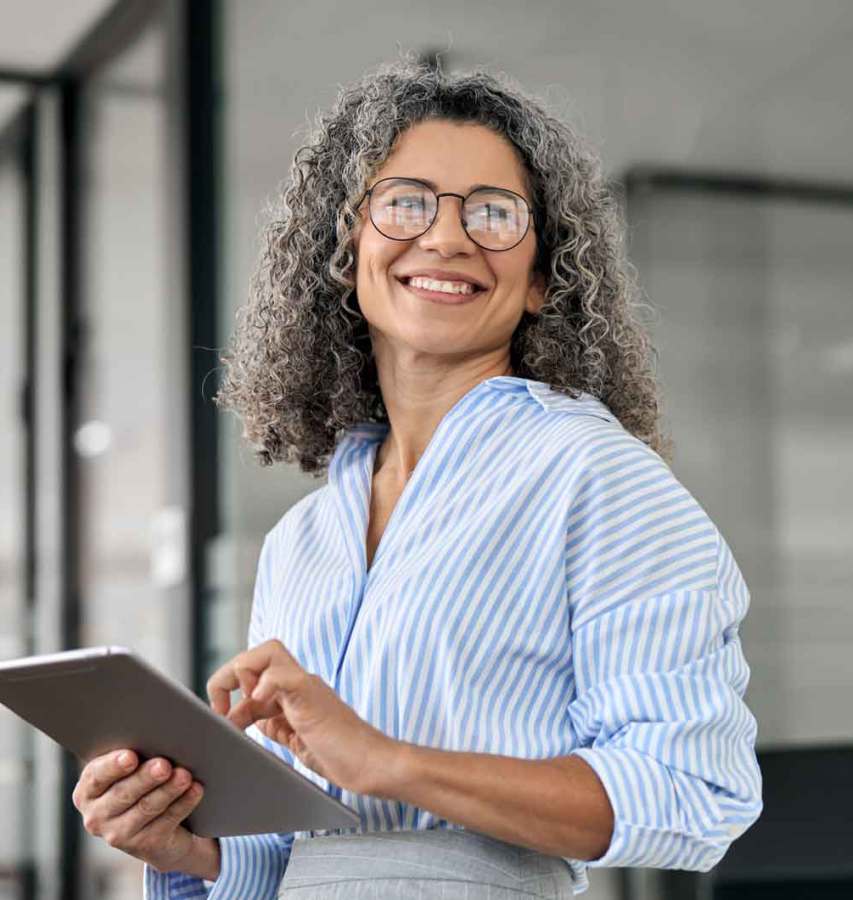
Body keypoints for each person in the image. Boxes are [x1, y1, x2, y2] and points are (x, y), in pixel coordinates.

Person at [71, 54, 763, 899]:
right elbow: (302, 850)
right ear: (346, 246)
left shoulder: (596, 478)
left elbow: (696, 792)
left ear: (544, 276)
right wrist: (187, 847)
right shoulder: (305, 541)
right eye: (404, 204)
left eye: (494, 213)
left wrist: (390, 762)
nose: (445, 237)